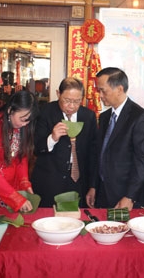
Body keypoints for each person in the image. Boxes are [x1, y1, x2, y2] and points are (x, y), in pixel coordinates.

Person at [90, 67, 144, 211]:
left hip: (126, 196)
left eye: (103, 91)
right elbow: (100, 154)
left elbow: (142, 162)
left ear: (119, 89)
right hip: (103, 192)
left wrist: (130, 196)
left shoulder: (139, 118)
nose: (100, 95)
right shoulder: (105, 117)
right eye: (98, 91)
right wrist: (94, 186)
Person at [32, 77, 97, 208]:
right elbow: (35, 148)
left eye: (77, 101)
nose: (72, 106)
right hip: (50, 181)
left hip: (79, 183)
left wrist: (93, 186)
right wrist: (52, 138)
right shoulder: (45, 112)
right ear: (58, 94)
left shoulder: (88, 116)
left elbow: (93, 153)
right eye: (67, 101)